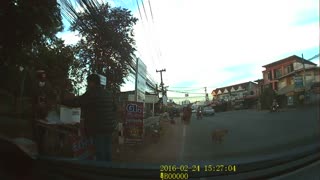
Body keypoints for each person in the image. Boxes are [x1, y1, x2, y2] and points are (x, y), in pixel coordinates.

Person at [62, 74, 117, 161]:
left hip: (98, 127)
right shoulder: (108, 93)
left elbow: (77, 102)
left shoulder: (92, 93)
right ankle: (109, 168)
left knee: (100, 152)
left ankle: (101, 170)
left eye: (88, 82)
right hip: (109, 127)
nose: (87, 84)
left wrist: (62, 101)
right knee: (107, 150)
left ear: (92, 83)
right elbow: (114, 108)